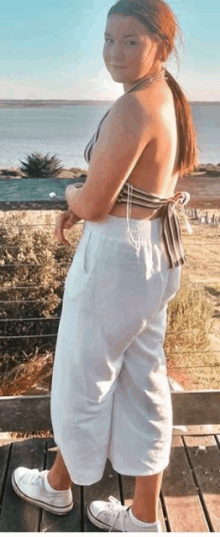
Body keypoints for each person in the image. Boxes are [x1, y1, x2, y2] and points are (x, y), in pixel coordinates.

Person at [11, 0, 198, 532]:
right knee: (142, 379)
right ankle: (141, 518)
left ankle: (56, 488)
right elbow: (150, 188)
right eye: (108, 40)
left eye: (130, 41)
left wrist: (71, 194)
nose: (115, 53)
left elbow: (93, 203)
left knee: (81, 377)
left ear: (161, 46)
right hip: (154, 254)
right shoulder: (165, 99)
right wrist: (98, 200)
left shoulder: (133, 108)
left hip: (118, 256)